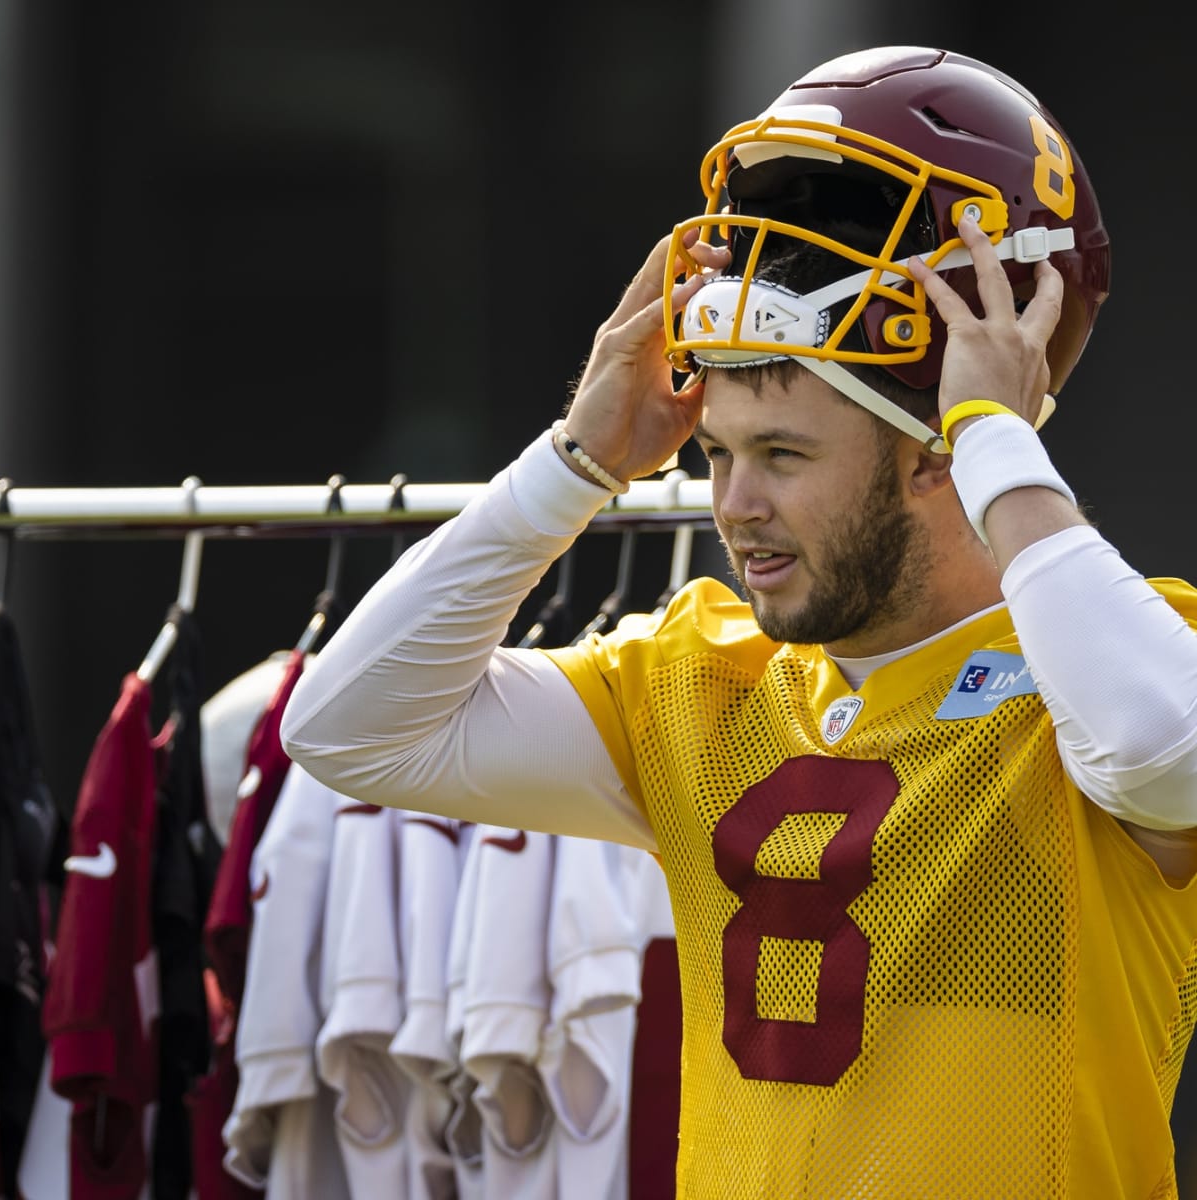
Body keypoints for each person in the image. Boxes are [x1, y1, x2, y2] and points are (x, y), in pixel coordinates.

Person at [280, 45, 1197, 1198]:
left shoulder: (1108, 672)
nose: (733, 505)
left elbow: (1168, 752)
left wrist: (998, 442)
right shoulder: (694, 679)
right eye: (718, 451)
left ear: (937, 455)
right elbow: (349, 727)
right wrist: (578, 463)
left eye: (783, 454)